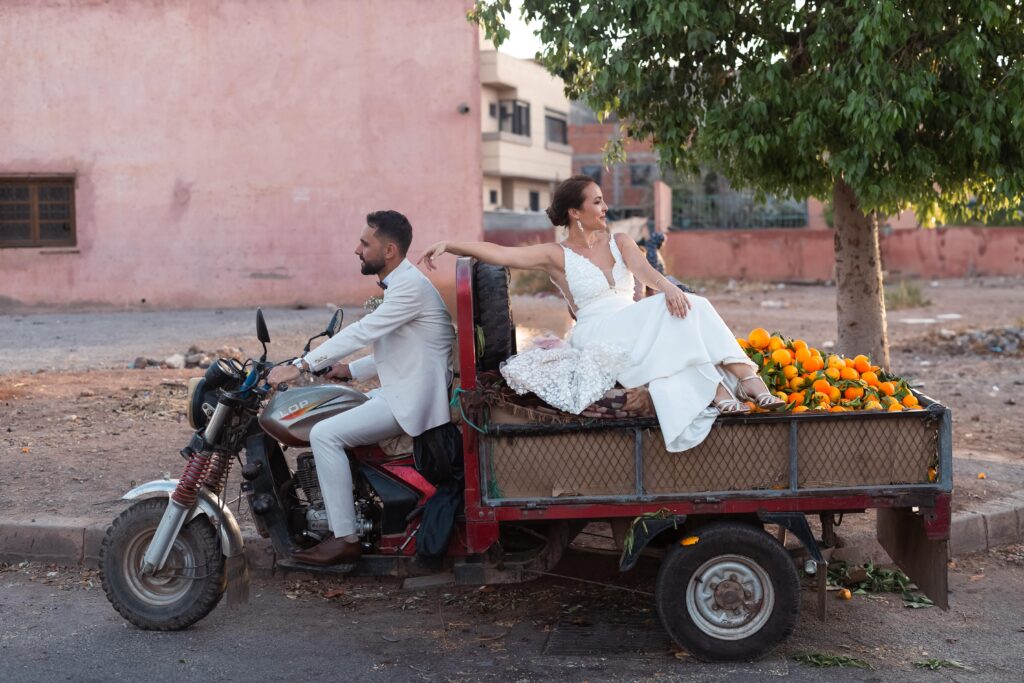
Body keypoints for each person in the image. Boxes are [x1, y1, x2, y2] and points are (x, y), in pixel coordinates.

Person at [419, 175, 783, 453]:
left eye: (604, 200)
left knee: (691, 306)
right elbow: (499, 253)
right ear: (575, 213)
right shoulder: (555, 255)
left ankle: (737, 381)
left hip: (632, 319)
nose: (605, 206)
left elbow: (645, 273)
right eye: (596, 202)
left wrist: (670, 287)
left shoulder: (621, 241)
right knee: (681, 311)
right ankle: (732, 385)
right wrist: (449, 244)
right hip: (597, 331)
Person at [268, 210, 455, 565]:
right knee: (336, 407)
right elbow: (405, 348)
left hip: (413, 399)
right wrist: (348, 369)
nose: (357, 249)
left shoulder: (410, 288)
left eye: (365, 243)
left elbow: (363, 331)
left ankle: (345, 538)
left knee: (325, 435)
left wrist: (301, 365)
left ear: (389, 251)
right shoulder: (402, 284)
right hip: (403, 388)